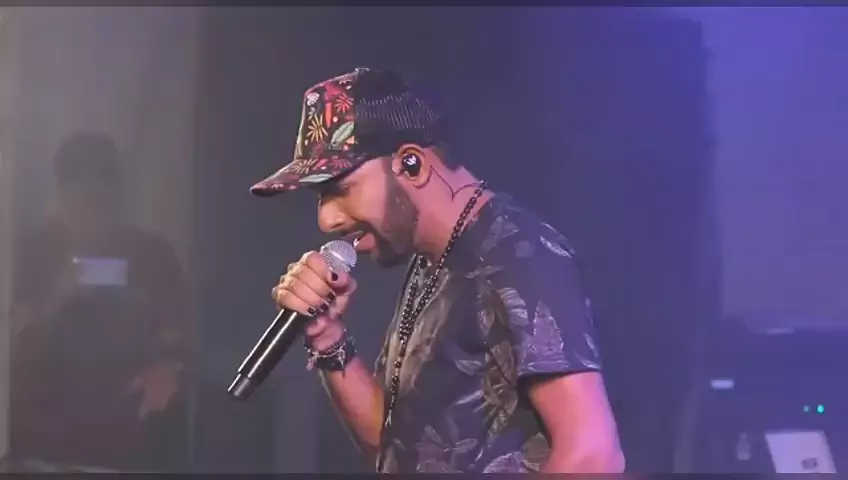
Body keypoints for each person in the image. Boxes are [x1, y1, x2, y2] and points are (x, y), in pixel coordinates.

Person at [251, 68, 624, 473]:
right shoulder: (432, 259)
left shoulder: (520, 257)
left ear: (411, 164)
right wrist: (328, 338)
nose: (327, 219)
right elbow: (393, 449)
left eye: (340, 189)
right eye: (320, 197)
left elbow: (592, 456)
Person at [9, 133, 191, 472]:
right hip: (43, 439)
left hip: (131, 432)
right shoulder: (33, 253)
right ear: (61, 197)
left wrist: (169, 368)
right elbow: (15, 346)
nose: (92, 213)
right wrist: (57, 298)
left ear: (119, 197)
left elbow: (178, 336)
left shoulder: (151, 254)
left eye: (102, 201)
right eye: (82, 201)